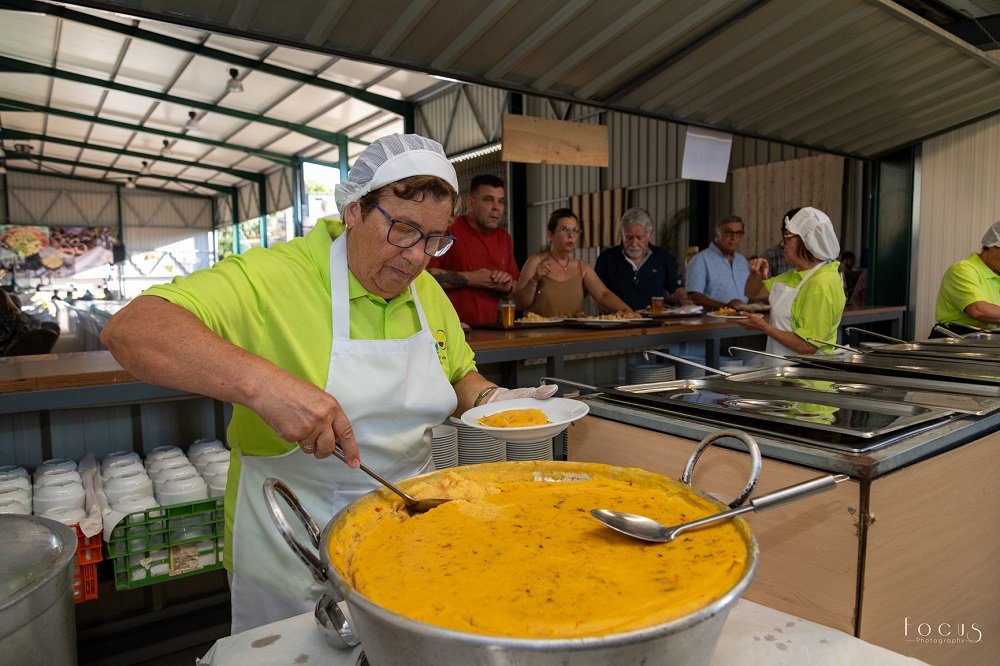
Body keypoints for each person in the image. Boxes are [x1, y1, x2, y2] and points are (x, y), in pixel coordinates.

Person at [100, 133, 556, 633]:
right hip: (293, 543)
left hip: (410, 533)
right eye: (403, 230)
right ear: (354, 211)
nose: (416, 257)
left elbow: (460, 375)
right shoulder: (277, 276)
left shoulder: (424, 291)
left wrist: (493, 401)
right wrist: (264, 385)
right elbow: (132, 329)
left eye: (434, 239)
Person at [740, 207, 846, 359]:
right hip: (784, 372)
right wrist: (755, 274)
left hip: (806, 378)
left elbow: (808, 345)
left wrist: (764, 327)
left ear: (805, 241)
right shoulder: (796, 274)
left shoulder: (821, 283)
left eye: (788, 238)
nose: (783, 244)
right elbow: (753, 293)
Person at [427, 175, 519, 325]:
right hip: (447, 330)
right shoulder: (449, 230)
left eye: (501, 201)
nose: (496, 207)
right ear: (470, 203)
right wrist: (472, 279)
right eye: (488, 200)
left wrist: (507, 286)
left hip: (490, 332)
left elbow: (515, 288)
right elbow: (424, 276)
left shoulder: (504, 238)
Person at [512, 208, 631, 317]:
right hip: (540, 336)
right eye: (565, 230)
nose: (571, 235)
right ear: (550, 234)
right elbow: (519, 304)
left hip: (573, 336)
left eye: (575, 230)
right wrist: (534, 280)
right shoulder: (536, 262)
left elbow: (603, 294)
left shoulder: (582, 267)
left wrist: (629, 312)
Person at [594, 207, 692, 311]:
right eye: (629, 237)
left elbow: (676, 288)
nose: (634, 243)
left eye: (639, 238)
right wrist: (616, 315)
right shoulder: (606, 259)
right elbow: (597, 297)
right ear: (622, 235)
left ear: (649, 235)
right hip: (617, 322)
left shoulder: (662, 257)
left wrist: (684, 300)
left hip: (654, 322)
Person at [933, 220, 1000, 335]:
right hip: (956, 341)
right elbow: (979, 310)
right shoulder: (962, 270)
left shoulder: (996, 273)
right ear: (992, 246)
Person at [685, 215, 751, 311]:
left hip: (744, 318)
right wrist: (725, 307)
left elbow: (749, 292)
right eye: (728, 232)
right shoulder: (700, 260)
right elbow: (694, 297)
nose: (734, 237)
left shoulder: (742, 261)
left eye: (738, 233)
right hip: (713, 321)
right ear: (717, 234)